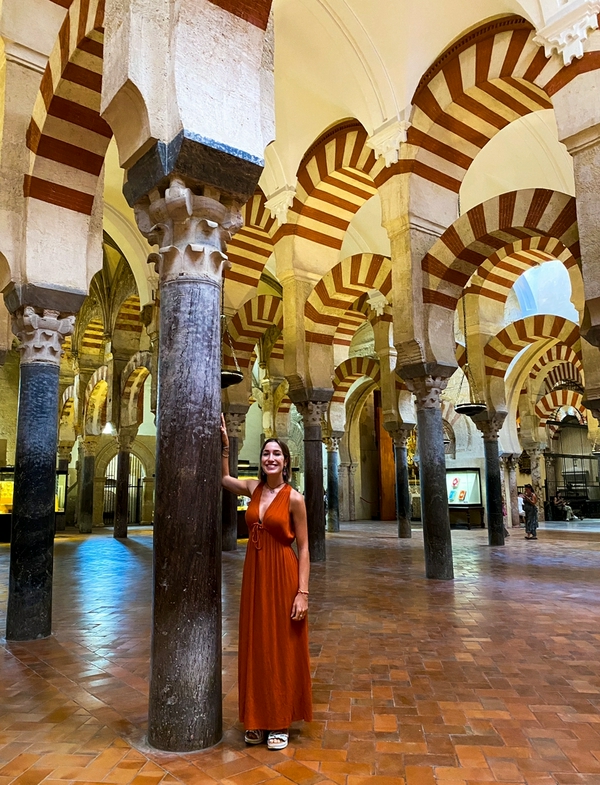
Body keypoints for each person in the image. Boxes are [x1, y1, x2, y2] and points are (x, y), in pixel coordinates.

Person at [220, 415, 312, 750]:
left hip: (283, 573)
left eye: (276, 454)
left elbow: (303, 547)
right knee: (257, 643)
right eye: (265, 454)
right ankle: (257, 719)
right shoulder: (252, 488)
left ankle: (280, 721)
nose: (270, 458)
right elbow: (224, 479)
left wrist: (302, 593)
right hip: (255, 574)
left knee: (282, 645)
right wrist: (227, 446)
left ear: (286, 462)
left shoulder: (295, 499)